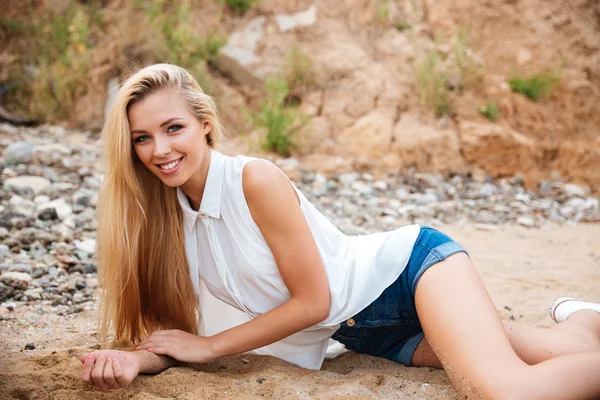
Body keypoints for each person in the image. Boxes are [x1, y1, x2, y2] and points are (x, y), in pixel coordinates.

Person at [79, 63, 600, 399]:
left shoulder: (253, 180)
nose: (160, 150)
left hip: (406, 275)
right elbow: (180, 339)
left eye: (174, 129)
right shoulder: (165, 224)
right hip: (364, 333)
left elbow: (311, 301)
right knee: (558, 354)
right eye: (142, 138)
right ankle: (581, 322)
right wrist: (135, 361)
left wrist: (211, 348)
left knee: (507, 390)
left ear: (205, 123)